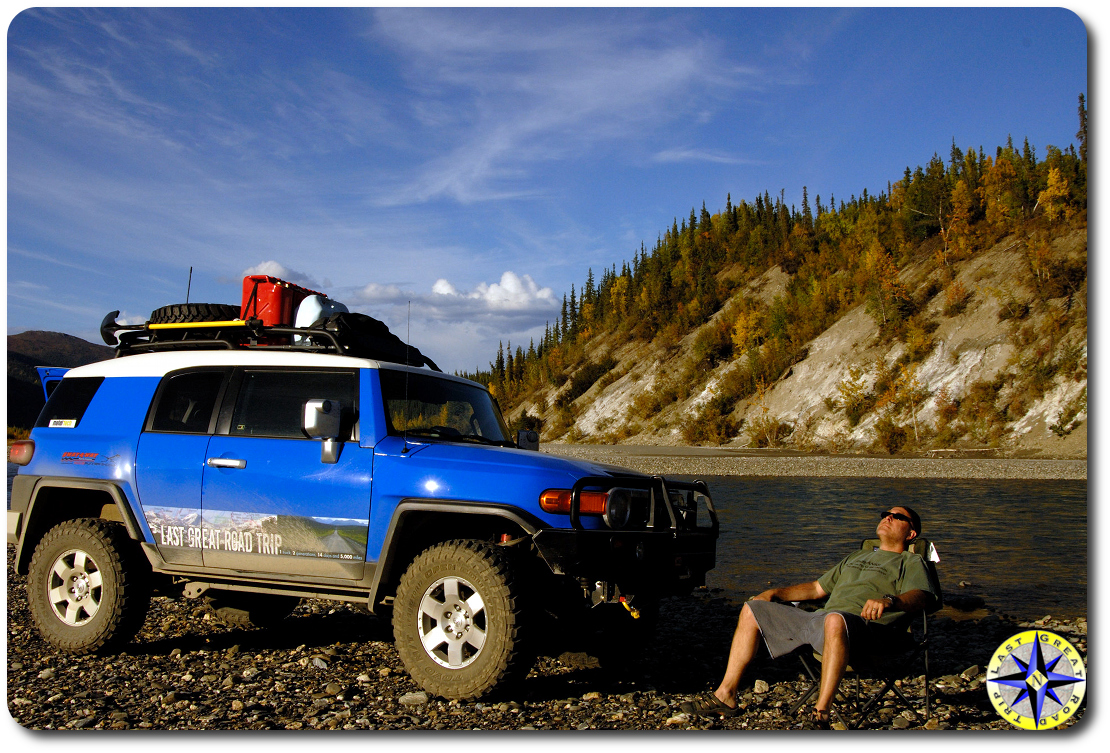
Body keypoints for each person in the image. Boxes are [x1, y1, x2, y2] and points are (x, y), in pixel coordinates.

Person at [680, 506, 938, 729]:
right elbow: (817, 589)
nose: (887, 518)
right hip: (823, 622)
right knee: (752, 608)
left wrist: (890, 601)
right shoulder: (857, 556)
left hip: (869, 632)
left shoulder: (911, 562)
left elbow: (924, 597)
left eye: (897, 516)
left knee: (835, 619)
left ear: (911, 533)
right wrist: (775, 592)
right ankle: (726, 694)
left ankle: (821, 713)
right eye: (885, 514)